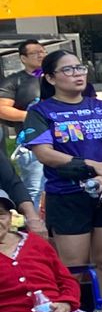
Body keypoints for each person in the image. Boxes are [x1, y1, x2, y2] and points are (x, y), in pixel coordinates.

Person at [22, 50, 102, 300]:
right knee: (74, 266)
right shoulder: (41, 111)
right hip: (67, 195)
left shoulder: (101, 107)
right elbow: (44, 153)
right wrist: (93, 165)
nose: (77, 74)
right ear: (50, 78)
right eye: (68, 70)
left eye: (80, 68)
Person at [0, 39, 47, 202]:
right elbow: (2, 108)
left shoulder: (57, 76)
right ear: (23, 58)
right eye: (35, 53)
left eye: (43, 51)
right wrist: (30, 116)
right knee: (36, 189)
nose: (41, 55)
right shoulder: (14, 81)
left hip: (65, 141)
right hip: (32, 144)